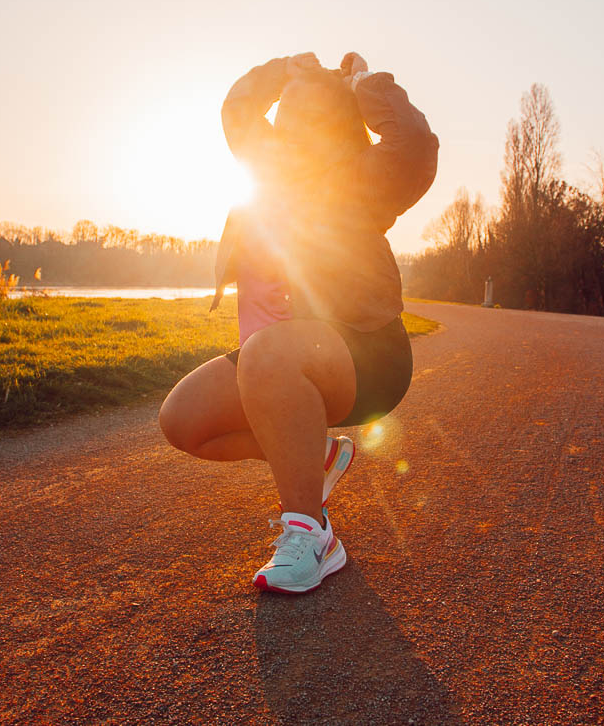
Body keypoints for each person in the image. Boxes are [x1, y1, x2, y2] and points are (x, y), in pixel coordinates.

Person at [159, 51, 439, 593]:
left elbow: (415, 144)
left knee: (269, 353)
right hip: (283, 357)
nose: (287, 124)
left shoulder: (360, 178)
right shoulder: (269, 170)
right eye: (286, 111)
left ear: (333, 124)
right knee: (183, 420)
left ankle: (312, 535)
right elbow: (238, 110)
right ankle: (318, 454)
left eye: (305, 114)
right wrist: (284, 68)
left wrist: (363, 84)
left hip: (367, 352)